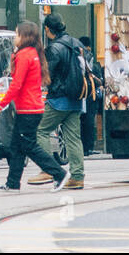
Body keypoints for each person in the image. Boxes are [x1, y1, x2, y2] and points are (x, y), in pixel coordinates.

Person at [0, 21, 68, 192]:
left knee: (28, 146)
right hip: (32, 108)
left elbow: (16, 84)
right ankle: (12, 183)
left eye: (17, 34)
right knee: (17, 146)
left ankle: (59, 173)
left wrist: (1, 104)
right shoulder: (33, 53)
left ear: (25, 37)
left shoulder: (24, 55)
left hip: (27, 109)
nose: (15, 38)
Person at [27, 14, 85, 190]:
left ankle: (48, 170)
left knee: (41, 130)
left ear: (47, 29)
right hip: (76, 98)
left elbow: (46, 75)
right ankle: (77, 176)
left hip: (59, 99)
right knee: (73, 138)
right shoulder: (77, 43)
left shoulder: (54, 49)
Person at [76, 36, 102, 156]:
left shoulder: (78, 56)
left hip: (81, 92)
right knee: (89, 120)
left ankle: (83, 147)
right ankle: (88, 147)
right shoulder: (90, 58)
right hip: (91, 93)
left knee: (82, 121)